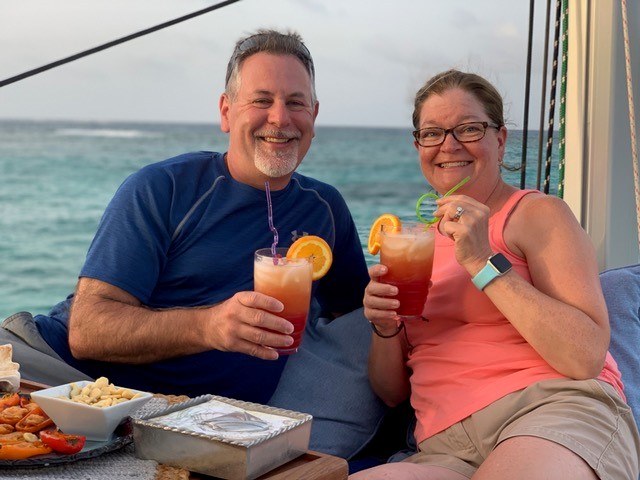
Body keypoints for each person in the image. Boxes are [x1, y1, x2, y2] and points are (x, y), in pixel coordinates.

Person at [1, 29, 369, 405]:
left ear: (314, 115)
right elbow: (87, 330)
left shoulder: (325, 209)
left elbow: (356, 319)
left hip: (191, 417)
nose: (280, 117)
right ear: (226, 112)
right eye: (261, 100)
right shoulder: (164, 187)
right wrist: (210, 326)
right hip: (57, 370)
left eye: (296, 103)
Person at [351, 69, 640, 479]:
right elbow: (393, 392)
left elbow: (585, 354)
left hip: (550, 410)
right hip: (443, 444)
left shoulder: (537, 215)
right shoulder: (413, 246)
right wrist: (384, 328)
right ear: (418, 146)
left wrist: (483, 262)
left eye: (468, 129)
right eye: (432, 133)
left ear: (500, 139)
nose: (448, 145)